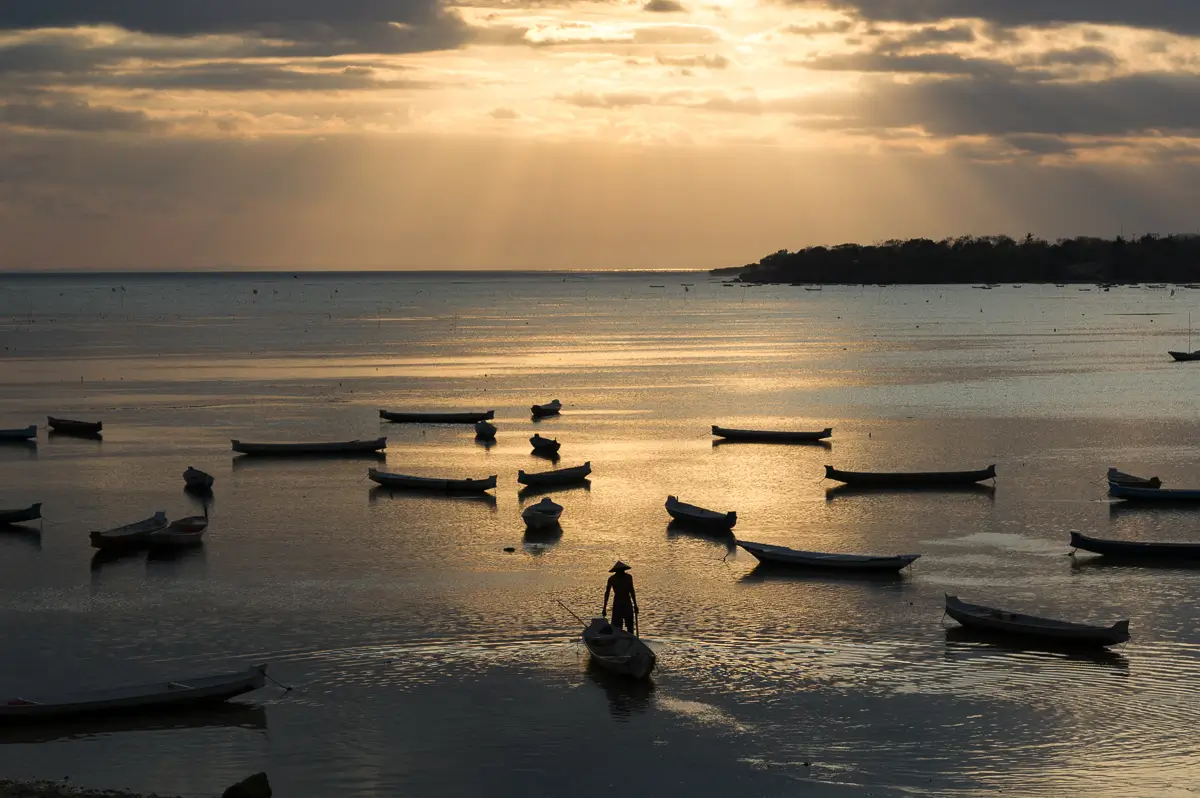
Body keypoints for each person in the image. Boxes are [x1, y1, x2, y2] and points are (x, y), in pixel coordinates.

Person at [602, 561, 638, 634]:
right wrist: (604, 608)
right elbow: (607, 593)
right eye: (619, 571)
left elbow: (632, 591)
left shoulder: (628, 577)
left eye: (622, 570)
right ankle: (617, 640)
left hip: (627, 602)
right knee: (616, 627)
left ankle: (631, 641)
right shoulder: (612, 579)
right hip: (617, 603)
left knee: (630, 626)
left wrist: (635, 605)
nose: (621, 572)